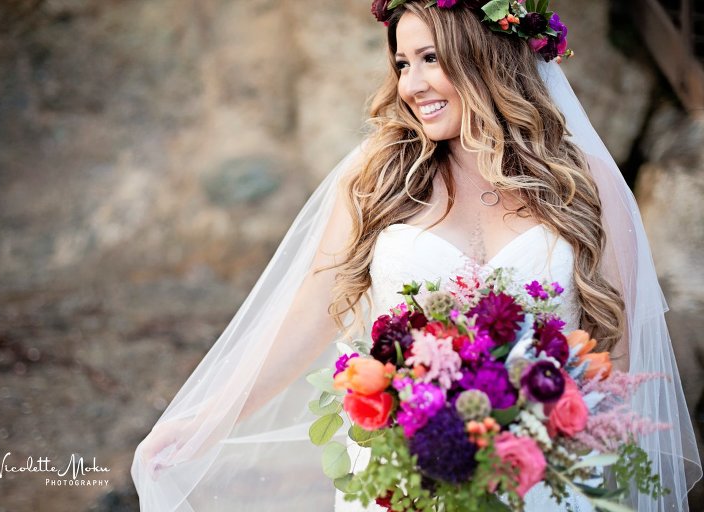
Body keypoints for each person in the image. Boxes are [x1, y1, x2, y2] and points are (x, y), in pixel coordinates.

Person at [131, 1, 702, 511]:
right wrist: (205, 422)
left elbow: (618, 353)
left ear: (487, 57)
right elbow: (309, 314)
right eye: (403, 64)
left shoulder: (584, 183)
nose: (412, 84)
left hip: (543, 484)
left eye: (430, 58)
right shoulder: (378, 176)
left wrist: (560, 461)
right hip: (405, 484)